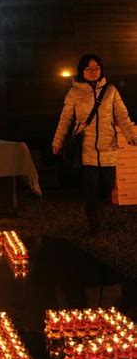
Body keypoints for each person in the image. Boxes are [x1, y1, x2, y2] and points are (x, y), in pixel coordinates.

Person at [52, 54, 137, 234]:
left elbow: (122, 115)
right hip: (85, 149)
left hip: (108, 148)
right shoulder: (74, 92)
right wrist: (57, 141)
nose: (93, 72)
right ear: (82, 71)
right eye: (89, 68)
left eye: (96, 68)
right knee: (91, 189)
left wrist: (130, 135)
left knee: (106, 187)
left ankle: (98, 212)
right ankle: (96, 226)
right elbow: (65, 119)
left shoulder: (111, 91)